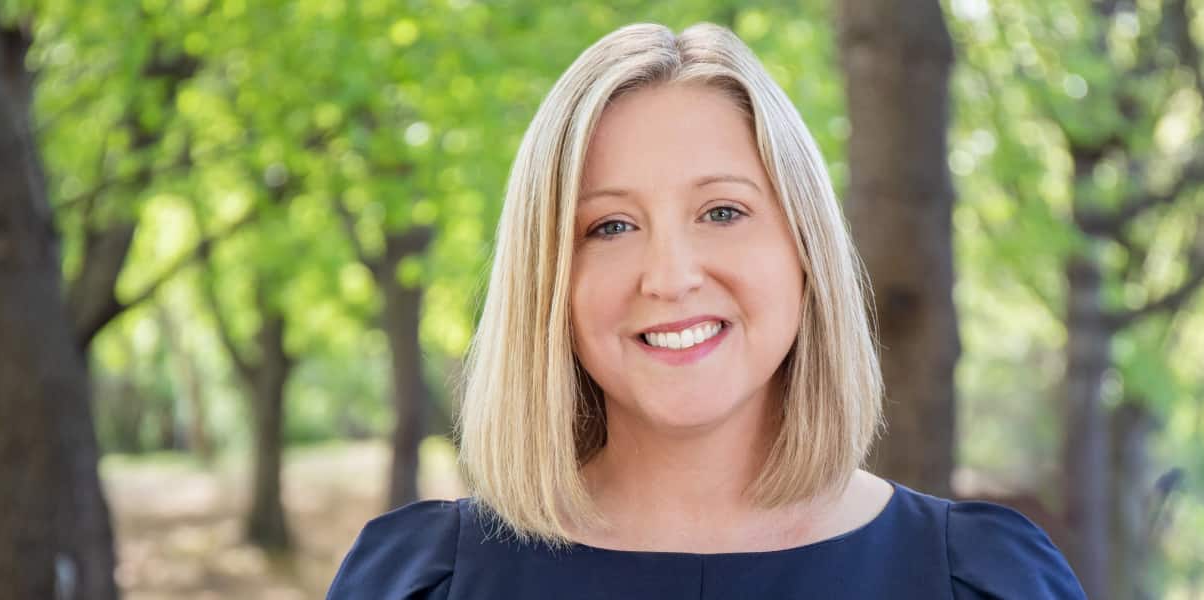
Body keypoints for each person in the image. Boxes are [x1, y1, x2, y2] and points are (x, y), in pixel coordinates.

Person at [327, 22, 1084, 599]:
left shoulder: (982, 580)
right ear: (548, 282)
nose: (669, 276)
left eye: (722, 211)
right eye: (610, 227)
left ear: (806, 253)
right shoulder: (426, 582)